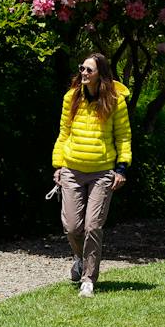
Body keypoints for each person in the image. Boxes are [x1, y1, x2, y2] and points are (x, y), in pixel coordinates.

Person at [52, 52, 131, 297]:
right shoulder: (71, 98)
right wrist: (58, 165)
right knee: (72, 226)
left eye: (89, 70)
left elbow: (124, 136)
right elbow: (63, 133)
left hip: (102, 172)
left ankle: (88, 279)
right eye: (82, 69)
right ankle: (79, 258)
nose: (84, 74)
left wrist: (121, 168)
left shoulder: (115, 101)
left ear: (101, 74)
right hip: (72, 169)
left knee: (93, 226)